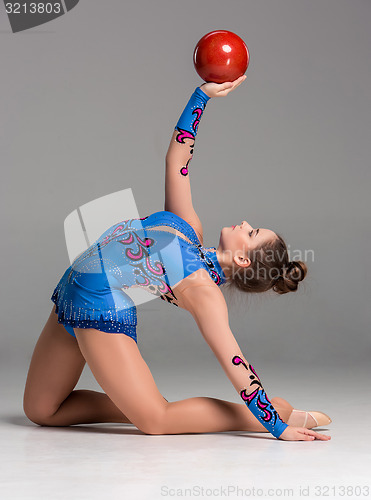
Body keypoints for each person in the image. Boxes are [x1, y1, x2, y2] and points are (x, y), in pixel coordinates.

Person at [23, 76, 331, 441]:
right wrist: (201, 97)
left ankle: (265, 413)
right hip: (72, 292)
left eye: (252, 233)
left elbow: (235, 363)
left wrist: (275, 425)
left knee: (156, 422)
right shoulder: (189, 228)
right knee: (42, 410)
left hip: (100, 307)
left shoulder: (205, 292)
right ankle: (147, 402)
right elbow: (178, 158)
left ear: (245, 262)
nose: (246, 223)